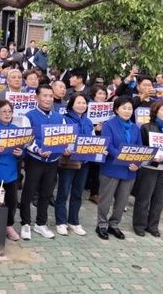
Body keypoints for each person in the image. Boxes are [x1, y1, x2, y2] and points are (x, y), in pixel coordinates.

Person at [20, 84, 68, 240]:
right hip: (35, 160)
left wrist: (66, 148)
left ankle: (41, 224)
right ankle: (25, 223)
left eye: (50, 96)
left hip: (53, 161)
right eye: (44, 95)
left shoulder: (59, 117)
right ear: (36, 97)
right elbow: (26, 140)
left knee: (46, 194)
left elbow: (65, 137)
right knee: (28, 192)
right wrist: (37, 150)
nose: (48, 99)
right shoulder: (29, 116)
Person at [96, 96, 142, 240]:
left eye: (130, 108)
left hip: (129, 171)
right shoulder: (108, 125)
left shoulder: (135, 127)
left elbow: (140, 148)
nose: (127, 111)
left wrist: (137, 164)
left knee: (122, 201)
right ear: (116, 109)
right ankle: (101, 224)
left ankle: (114, 224)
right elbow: (108, 146)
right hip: (112, 168)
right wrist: (126, 158)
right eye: (124, 108)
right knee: (106, 199)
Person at [133, 101, 163, 237]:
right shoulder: (146, 127)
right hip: (148, 168)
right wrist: (152, 157)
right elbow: (142, 149)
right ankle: (139, 225)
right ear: (156, 112)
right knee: (144, 198)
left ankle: (153, 226)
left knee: (159, 199)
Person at [54, 93, 95, 236]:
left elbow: (94, 139)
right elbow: (60, 139)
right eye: (78, 103)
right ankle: (60, 222)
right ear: (71, 104)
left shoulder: (89, 121)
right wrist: (63, 149)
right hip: (69, 161)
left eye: (84, 103)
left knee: (78, 193)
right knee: (63, 192)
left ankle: (74, 221)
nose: (82, 105)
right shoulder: (64, 120)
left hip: (84, 161)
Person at [0, 100, 23, 241]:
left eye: (10, 111)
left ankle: (9, 225)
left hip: (12, 172)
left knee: (12, 201)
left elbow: (22, 150)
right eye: (4, 111)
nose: (7, 114)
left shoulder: (16, 129)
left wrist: (20, 153)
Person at [85, 85, 109, 204]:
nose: (102, 96)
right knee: (92, 165)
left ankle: (95, 192)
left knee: (98, 165)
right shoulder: (87, 107)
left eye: (104, 94)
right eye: (99, 93)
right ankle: (90, 188)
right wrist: (95, 128)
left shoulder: (108, 108)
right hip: (91, 138)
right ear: (94, 95)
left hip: (104, 138)